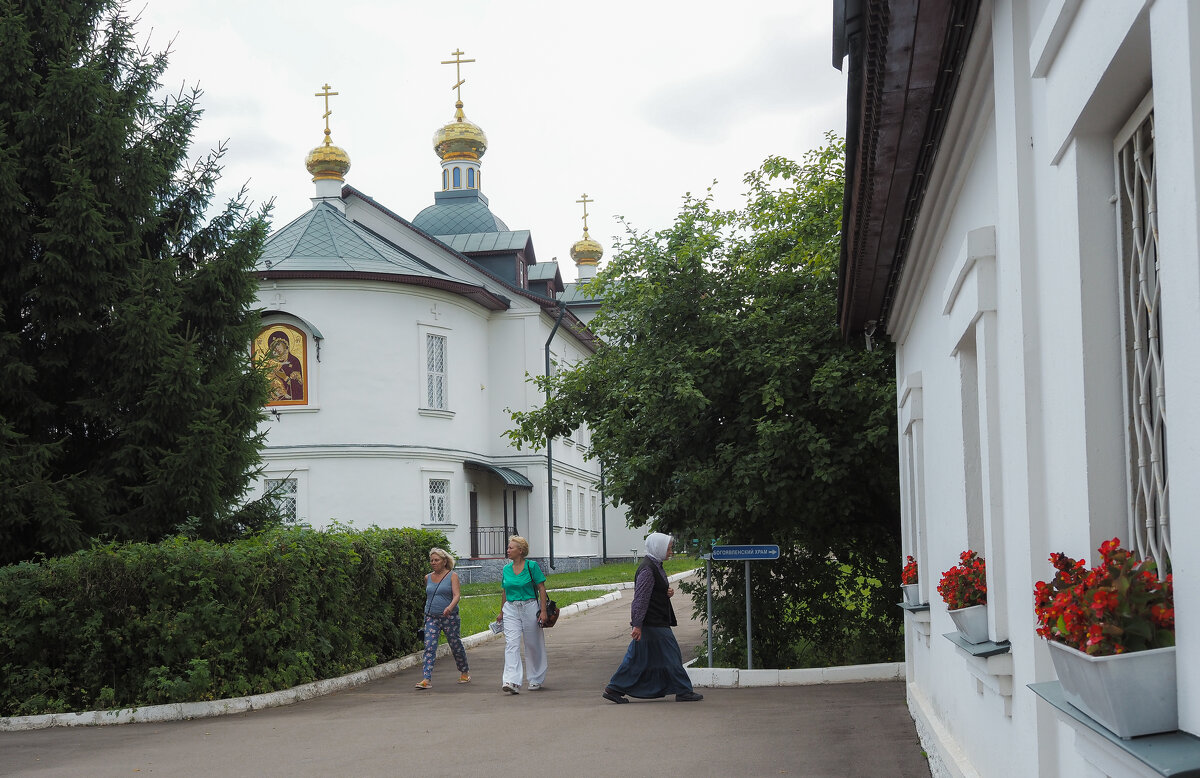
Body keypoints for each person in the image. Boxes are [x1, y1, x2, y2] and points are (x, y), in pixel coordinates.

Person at [602, 532, 703, 703]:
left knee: (637, 658)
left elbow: (653, 591)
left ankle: (614, 688)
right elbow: (640, 598)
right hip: (652, 622)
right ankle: (683, 690)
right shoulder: (648, 569)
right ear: (659, 548)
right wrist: (637, 624)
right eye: (669, 548)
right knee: (671, 654)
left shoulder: (655, 565)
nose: (671, 551)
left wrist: (665, 592)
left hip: (653, 621)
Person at [496, 535, 549, 693]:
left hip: (530, 607)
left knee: (533, 644)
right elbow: (505, 591)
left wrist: (544, 611)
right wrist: (501, 612)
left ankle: (535, 678)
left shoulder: (531, 566)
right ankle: (512, 681)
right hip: (511, 609)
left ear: (520, 550)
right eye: (508, 547)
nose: (508, 550)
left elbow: (541, 588)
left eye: (511, 548)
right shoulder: (506, 569)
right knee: (511, 644)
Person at [414, 547, 470, 689]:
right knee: (429, 647)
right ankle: (426, 679)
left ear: (444, 561)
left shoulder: (452, 576)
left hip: (449, 617)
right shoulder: (428, 577)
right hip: (431, 617)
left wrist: (449, 608)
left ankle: (464, 672)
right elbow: (429, 596)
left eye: (436, 560)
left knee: (455, 645)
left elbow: (457, 595)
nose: (433, 562)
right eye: (431, 560)